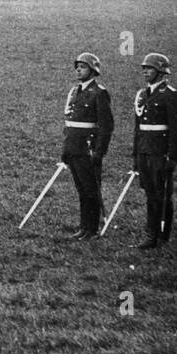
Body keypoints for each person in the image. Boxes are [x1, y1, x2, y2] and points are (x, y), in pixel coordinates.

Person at [62, 52, 113, 239]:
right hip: (73, 148)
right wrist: (65, 149)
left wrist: (99, 153)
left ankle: (92, 229)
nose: (78, 70)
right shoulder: (75, 91)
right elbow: (69, 123)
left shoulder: (99, 93)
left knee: (91, 190)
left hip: (88, 150)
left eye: (83, 67)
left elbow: (106, 126)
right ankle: (83, 227)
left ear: (93, 70)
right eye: (77, 66)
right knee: (82, 190)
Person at [133, 52, 177, 249]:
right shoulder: (142, 95)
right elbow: (138, 128)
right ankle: (152, 233)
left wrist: (173, 156)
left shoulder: (170, 95)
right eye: (143, 68)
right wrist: (136, 155)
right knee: (150, 193)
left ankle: (162, 234)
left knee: (162, 194)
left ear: (160, 71)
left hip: (161, 153)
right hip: (144, 151)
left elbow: (175, 129)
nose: (145, 71)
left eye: (149, 68)